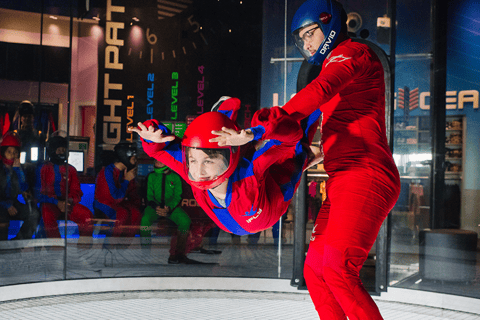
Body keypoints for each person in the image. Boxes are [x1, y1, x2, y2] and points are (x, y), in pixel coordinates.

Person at [281, 0, 401, 319]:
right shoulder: (334, 66)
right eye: (300, 38)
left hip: (366, 172)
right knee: (316, 269)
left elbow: (321, 88)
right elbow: (315, 125)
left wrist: (272, 119)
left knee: (338, 267)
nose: (305, 44)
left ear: (330, 25)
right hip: (343, 178)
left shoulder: (351, 53)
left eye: (310, 33)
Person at [129, 96, 322, 237]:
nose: (198, 171)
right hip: (241, 217)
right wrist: (153, 135)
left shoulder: (249, 172)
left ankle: (228, 121)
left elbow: (291, 138)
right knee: (295, 153)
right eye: (194, 161)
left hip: (270, 204)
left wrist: (257, 132)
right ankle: (223, 118)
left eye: (208, 162)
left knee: (295, 151)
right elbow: (157, 150)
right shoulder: (193, 171)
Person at [141, 159, 203, 264]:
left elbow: (177, 196)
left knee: (185, 221)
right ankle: (145, 253)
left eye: (161, 160)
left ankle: (179, 253)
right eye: (156, 160)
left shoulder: (175, 177)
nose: (158, 162)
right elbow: (148, 195)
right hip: (154, 207)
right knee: (144, 221)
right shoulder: (151, 176)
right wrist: (156, 207)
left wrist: (169, 208)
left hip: (171, 208)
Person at [36, 133, 93, 240]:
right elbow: (39, 193)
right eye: (59, 150)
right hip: (50, 204)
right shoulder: (43, 168)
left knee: (86, 215)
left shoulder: (71, 169)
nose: (62, 153)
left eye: (64, 150)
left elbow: (77, 191)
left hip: (68, 203)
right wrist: (57, 202)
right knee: (47, 215)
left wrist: (68, 201)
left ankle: (85, 246)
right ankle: (55, 246)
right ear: (52, 151)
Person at [93, 142, 142, 238]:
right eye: (133, 157)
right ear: (125, 156)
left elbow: (133, 194)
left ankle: (123, 247)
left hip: (118, 202)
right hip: (103, 203)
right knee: (122, 214)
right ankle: (109, 246)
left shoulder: (126, 171)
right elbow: (115, 197)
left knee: (136, 213)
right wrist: (127, 180)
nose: (135, 159)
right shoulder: (107, 171)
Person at [0, 132, 39, 241]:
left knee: (34, 214)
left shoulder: (19, 168)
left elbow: (23, 187)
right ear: (3, 152)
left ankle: (17, 243)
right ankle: (2, 248)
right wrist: (6, 205)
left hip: (12, 204)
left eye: (15, 152)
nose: (12, 155)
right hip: (2, 204)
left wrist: (18, 170)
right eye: (9, 152)